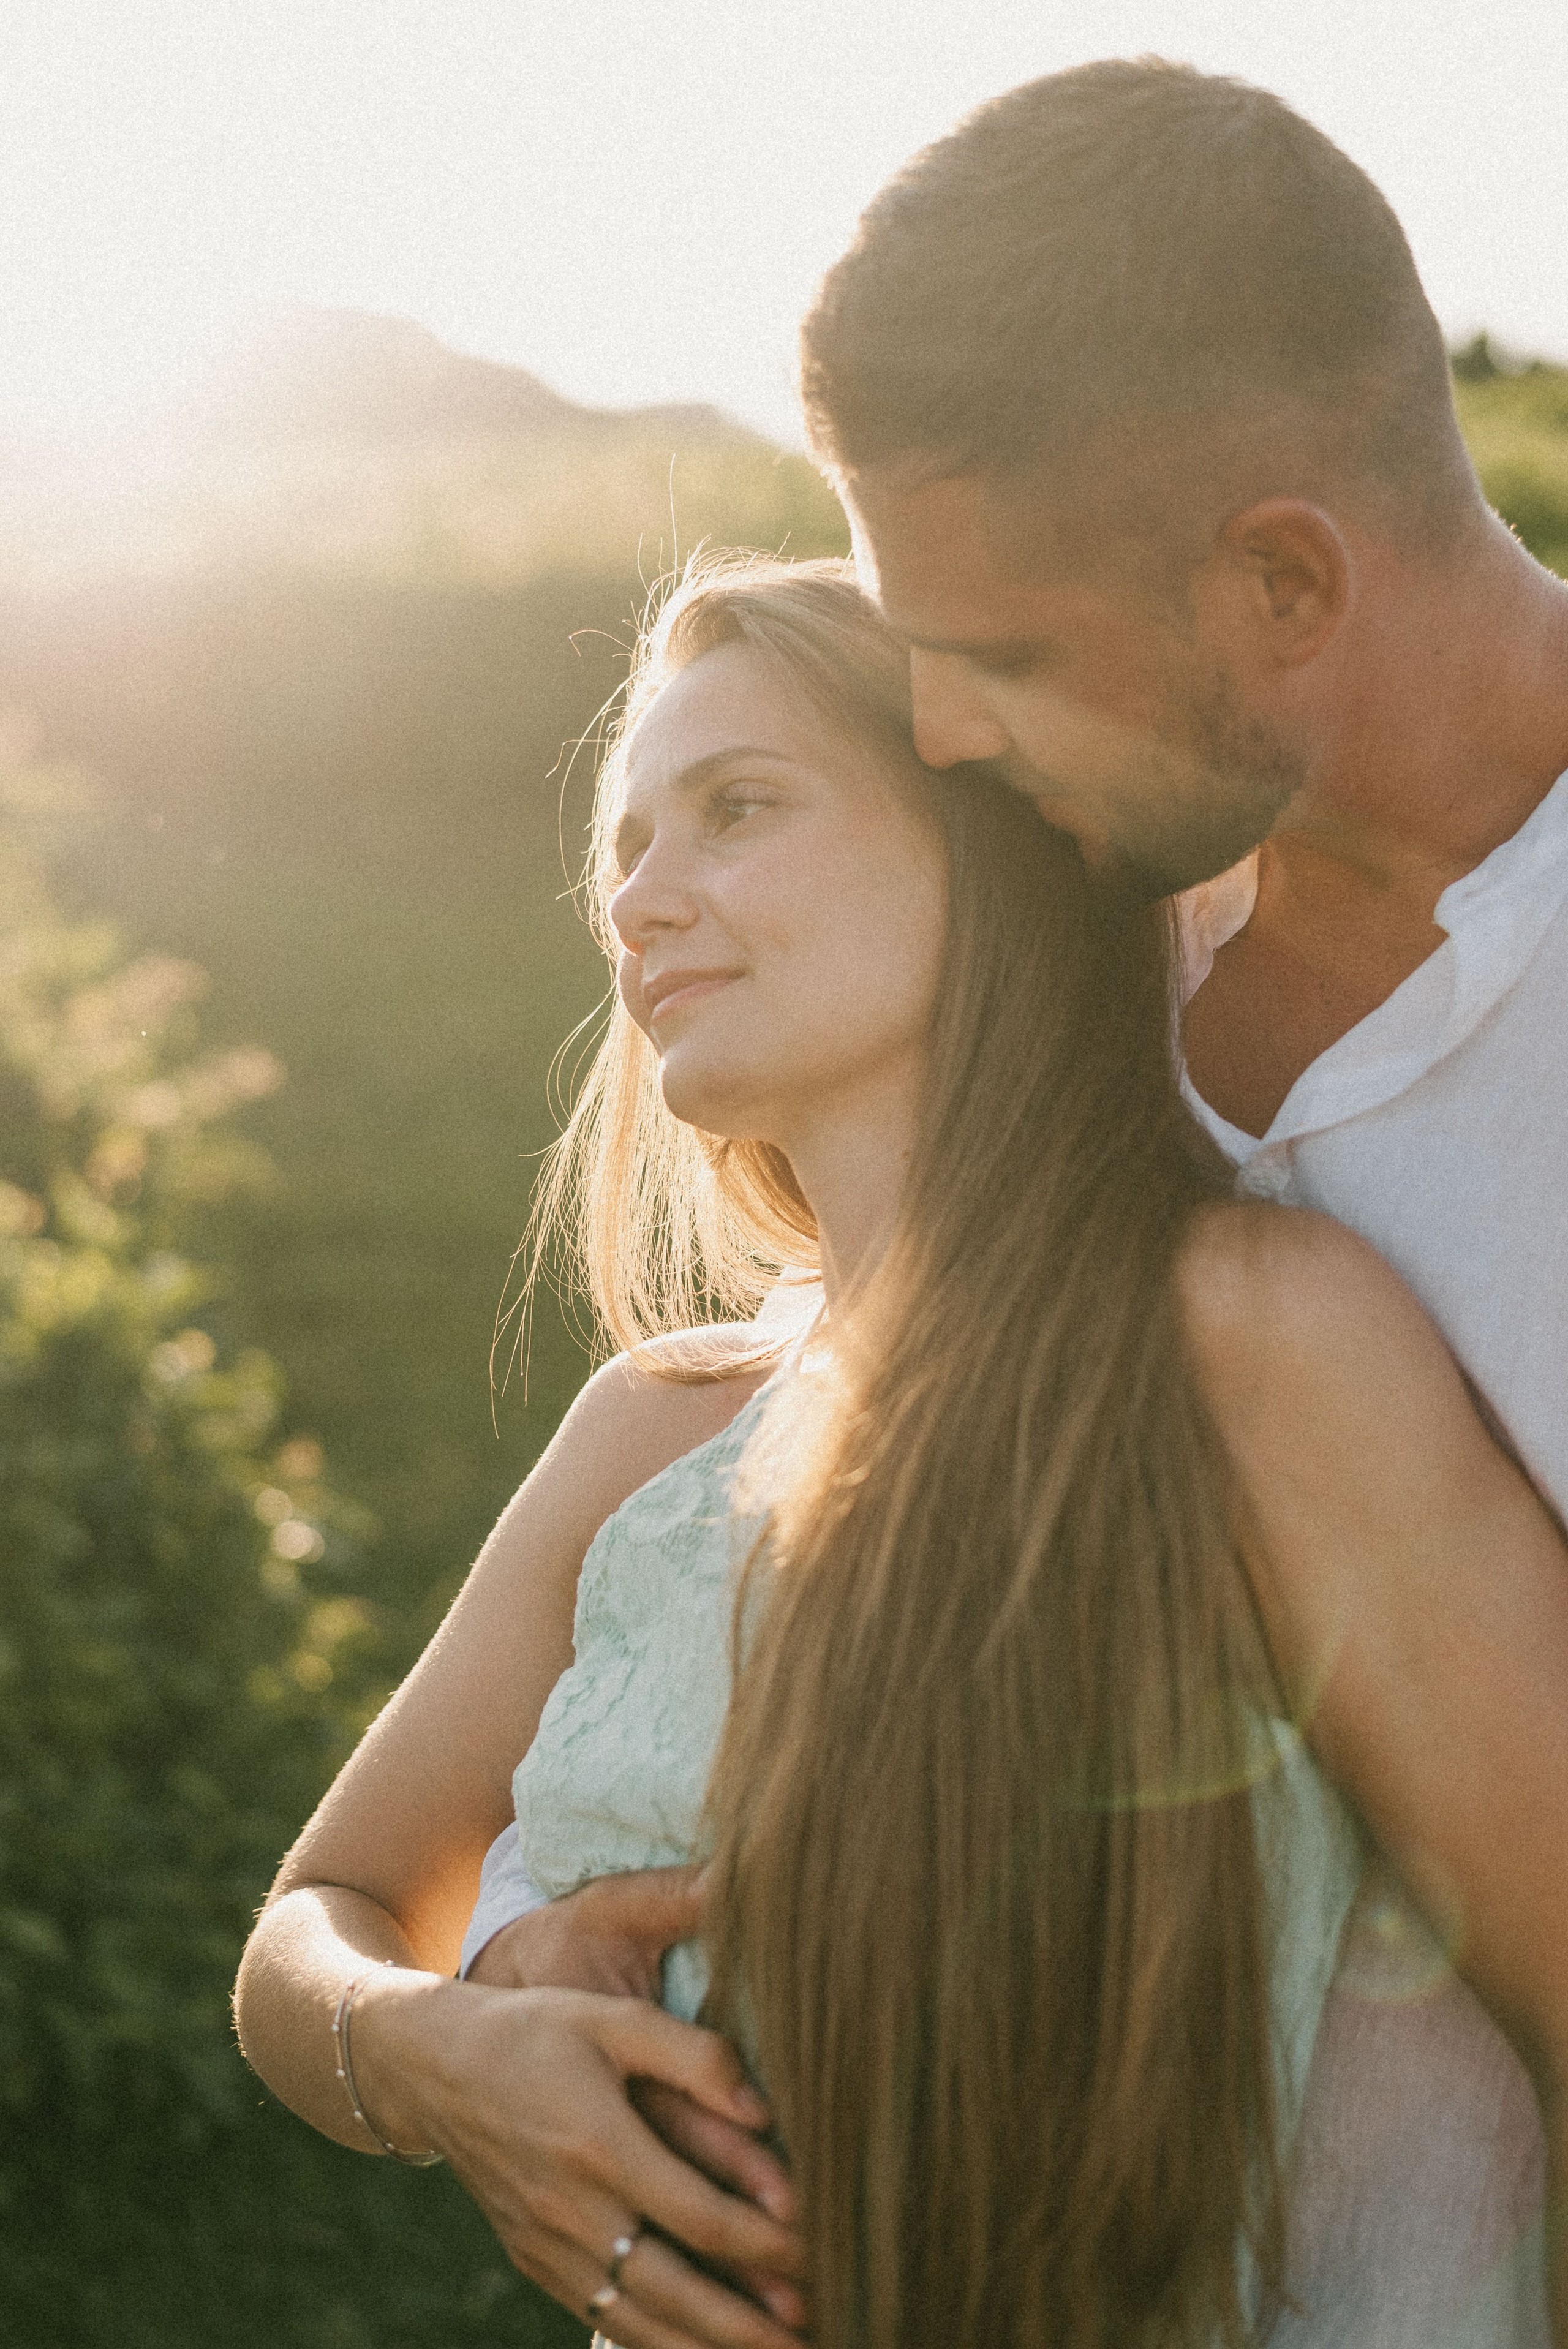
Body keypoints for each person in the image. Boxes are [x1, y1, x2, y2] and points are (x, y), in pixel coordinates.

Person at [473, 59, 1568, 2346]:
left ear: (1286, 576)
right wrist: (447, 2028)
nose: (942, 741)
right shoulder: (1078, 926)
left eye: (997, 660)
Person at [235, 560, 1568, 2349]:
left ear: (996, 845)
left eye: (737, 808)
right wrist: (442, 2049)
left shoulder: (1244, 1338)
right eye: (626, 845)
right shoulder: (652, 1424)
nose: (639, 898)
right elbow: (315, 1923)